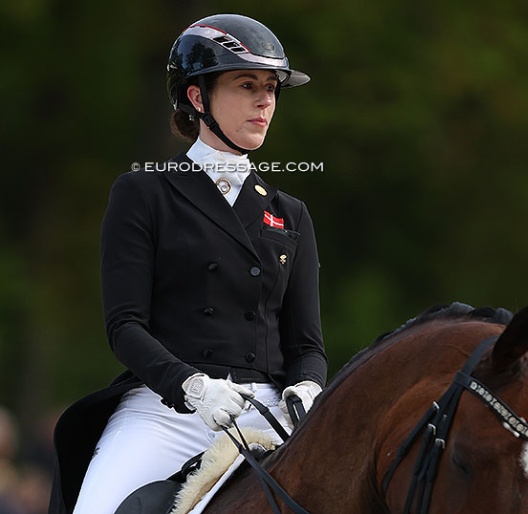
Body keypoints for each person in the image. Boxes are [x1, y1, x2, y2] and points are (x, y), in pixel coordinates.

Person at [48, 13, 327, 514]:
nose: (266, 101)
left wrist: (308, 386)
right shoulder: (144, 193)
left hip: (265, 411)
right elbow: (124, 326)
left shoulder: (292, 214)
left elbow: (305, 344)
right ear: (197, 99)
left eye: (271, 88)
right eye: (247, 85)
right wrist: (192, 388)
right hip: (167, 409)